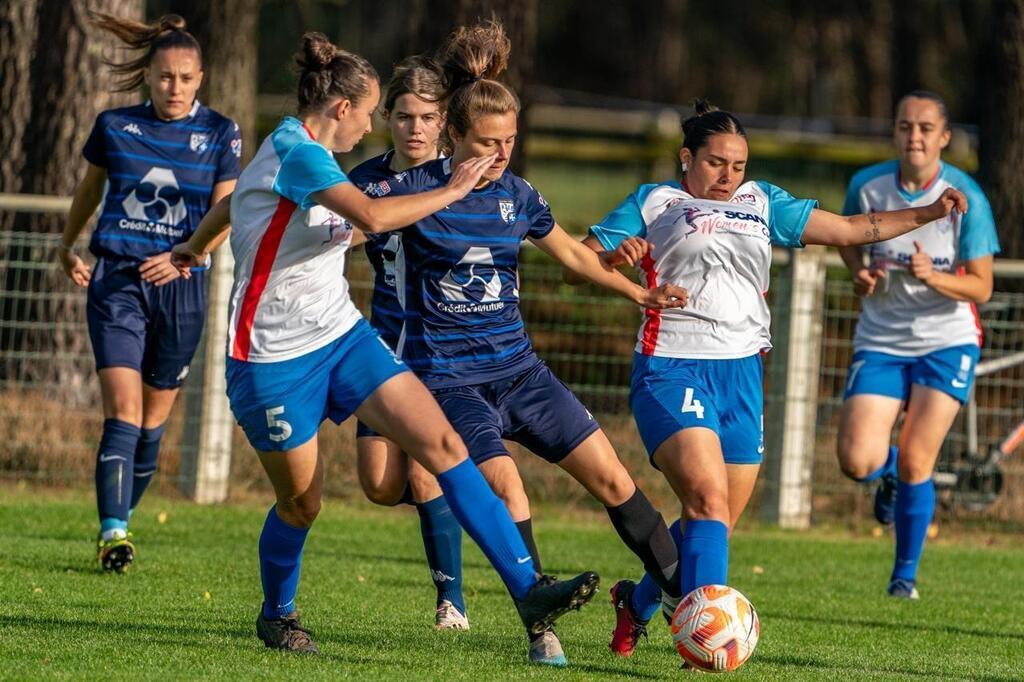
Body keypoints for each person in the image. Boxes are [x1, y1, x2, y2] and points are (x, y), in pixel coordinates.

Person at [170, 32, 598, 657]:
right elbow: (370, 220)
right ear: (342, 109)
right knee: (302, 503)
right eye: (371, 111)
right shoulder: (299, 153)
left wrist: (192, 246)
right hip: (270, 358)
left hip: (343, 337)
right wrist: (454, 189)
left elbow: (236, 205)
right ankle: (277, 614)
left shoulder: (308, 158)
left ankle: (529, 590)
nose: (373, 124)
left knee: (445, 445)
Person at [568, 100, 968, 657]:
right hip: (671, 366)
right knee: (707, 500)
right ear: (687, 158)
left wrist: (926, 213)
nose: (729, 175)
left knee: (714, 522)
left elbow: (853, 227)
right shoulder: (655, 201)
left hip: (743, 376)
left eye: (738, 164)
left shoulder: (762, 202)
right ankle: (704, 652)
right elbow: (580, 262)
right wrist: (616, 258)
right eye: (715, 162)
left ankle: (636, 603)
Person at [371, 21, 689, 667]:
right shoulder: (412, 191)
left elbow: (573, 253)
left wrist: (636, 293)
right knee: (508, 488)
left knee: (613, 478)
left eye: (509, 141)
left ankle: (691, 609)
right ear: (454, 135)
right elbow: (355, 221)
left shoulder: (519, 195)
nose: (500, 153)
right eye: (487, 142)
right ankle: (540, 629)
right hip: (450, 381)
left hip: (523, 374)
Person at [57, 13, 241, 573]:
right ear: (149, 78)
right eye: (165, 77)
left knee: (154, 427)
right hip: (117, 281)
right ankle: (112, 532)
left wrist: (189, 252)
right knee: (125, 412)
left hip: (182, 287)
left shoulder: (221, 132)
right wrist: (68, 245)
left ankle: (121, 522)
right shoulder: (115, 126)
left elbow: (225, 211)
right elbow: (90, 192)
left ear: (201, 78)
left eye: (185, 78)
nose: (174, 88)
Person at [835, 91, 998, 600]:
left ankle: (903, 577)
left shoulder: (965, 194)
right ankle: (886, 480)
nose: (915, 137)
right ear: (895, 132)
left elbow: (982, 287)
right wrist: (859, 273)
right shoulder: (867, 186)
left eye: (926, 128)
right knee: (857, 461)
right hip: (881, 338)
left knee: (916, 460)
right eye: (906, 126)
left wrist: (935, 279)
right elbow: (844, 235)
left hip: (945, 341)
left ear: (944, 137)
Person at [348, 56, 470, 630]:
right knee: (378, 484)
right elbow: (336, 232)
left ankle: (453, 604)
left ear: (444, 121)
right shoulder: (363, 181)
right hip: (381, 341)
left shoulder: (458, 180)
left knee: (425, 469)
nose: (414, 128)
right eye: (402, 116)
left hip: (438, 346)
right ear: (386, 119)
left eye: (426, 117)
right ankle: (453, 502)